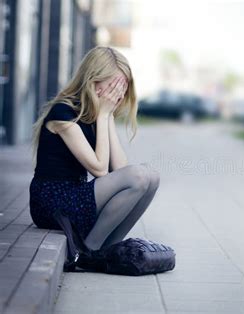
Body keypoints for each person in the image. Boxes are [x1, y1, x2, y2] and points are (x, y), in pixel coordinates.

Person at [29, 46, 160, 253]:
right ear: (92, 80)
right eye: (113, 85)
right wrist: (104, 114)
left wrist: (106, 116)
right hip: (52, 202)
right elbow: (99, 170)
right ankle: (88, 251)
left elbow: (119, 170)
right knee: (139, 175)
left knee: (151, 177)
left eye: (122, 87)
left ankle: (109, 247)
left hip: (76, 196)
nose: (117, 93)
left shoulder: (96, 113)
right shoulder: (63, 113)